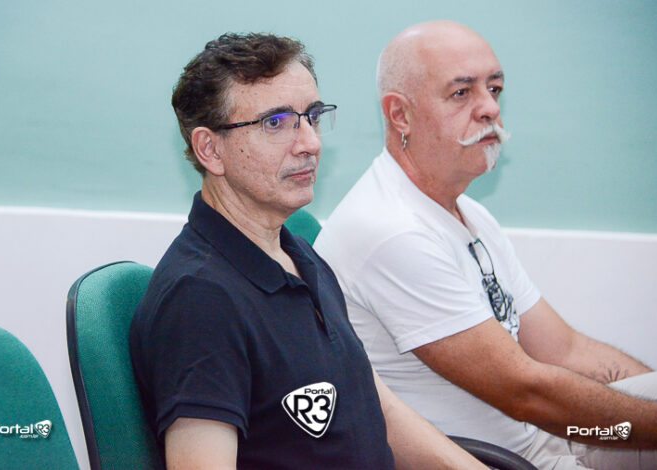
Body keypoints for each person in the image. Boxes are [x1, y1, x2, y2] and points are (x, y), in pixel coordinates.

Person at [129, 32, 486, 469]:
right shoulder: (201, 300)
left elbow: (379, 409)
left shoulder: (298, 255)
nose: (310, 143)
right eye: (275, 123)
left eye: (312, 117)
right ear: (210, 149)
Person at [314, 21, 657, 470]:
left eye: (494, 89)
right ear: (400, 114)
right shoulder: (390, 231)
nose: (490, 108)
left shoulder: (468, 213)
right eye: (462, 93)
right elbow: (526, 391)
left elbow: (566, 350)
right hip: (509, 461)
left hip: (557, 441)